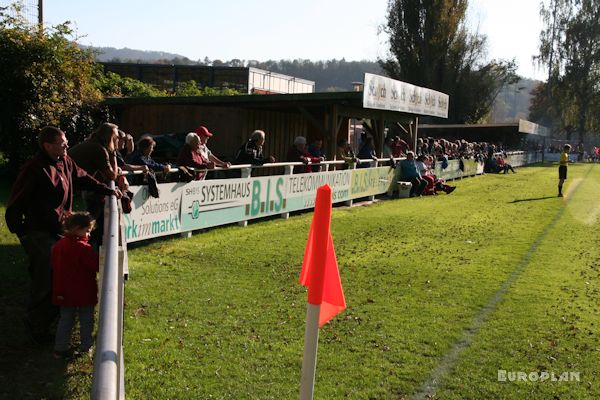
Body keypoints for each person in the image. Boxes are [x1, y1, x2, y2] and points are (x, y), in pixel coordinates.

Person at [5, 126, 119, 344]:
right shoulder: (33, 168)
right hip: (37, 231)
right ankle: (37, 324)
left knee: (59, 273)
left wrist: (108, 190)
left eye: (66, 142)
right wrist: (22, 233)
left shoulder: (65, 161)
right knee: (47, 275)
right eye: (62, 143)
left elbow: (83, 177)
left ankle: (51, 320)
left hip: (58, 230)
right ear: (48, 146)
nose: (67, 146)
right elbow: (15, 202)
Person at [69, 122, 124, 247]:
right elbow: (112, 175)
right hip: (71, 186)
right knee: (91, 218)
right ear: (110, 137)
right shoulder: (98, 149)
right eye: (116, 137)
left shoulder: (93, 144)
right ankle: (83, 245)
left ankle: (86, 244)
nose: (118, 140)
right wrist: (114, 152)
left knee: (94, 217)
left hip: (75, 185)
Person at [52, 212, 99, 358]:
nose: (88, 235)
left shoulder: (58, 246)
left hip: (64, 290)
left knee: (65, 319)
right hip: (83, 291)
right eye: (87, 231)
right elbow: (95, 265)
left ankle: (60, 348)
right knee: (86, 319)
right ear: (78, 228)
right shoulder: (84, 249)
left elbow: (53, 264)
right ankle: (86, 346)